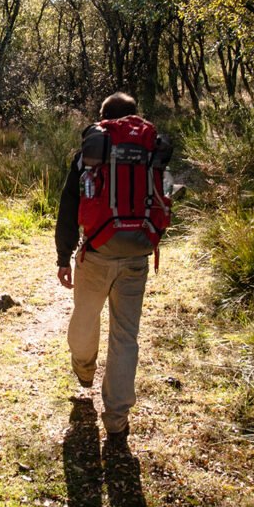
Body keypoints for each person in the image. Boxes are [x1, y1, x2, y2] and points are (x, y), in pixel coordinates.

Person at [55, 91, 172, 451]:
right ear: (135, 117)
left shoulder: (91, 153)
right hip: (137, 253)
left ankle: (84, 366)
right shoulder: (150, 152)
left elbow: (69, 204)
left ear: (104, 118)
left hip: (97, 251)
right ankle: (117, 419)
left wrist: (63, 257)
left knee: (85, 317)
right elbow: (163, 197)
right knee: (125, 337)